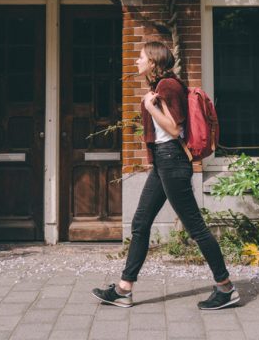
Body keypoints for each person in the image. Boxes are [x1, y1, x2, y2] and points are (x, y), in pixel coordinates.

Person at [92, 41, 239, 310]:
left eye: (140, 57)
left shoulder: (168, 86)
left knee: (196, 227)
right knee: (140, 223)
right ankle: (124, 289)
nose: (136, 61)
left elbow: (173, 129)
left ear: (153, 61)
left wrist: (151, 108)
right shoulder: (159, 86)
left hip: (172, 161)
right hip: (163, 162)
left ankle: (226, 287)